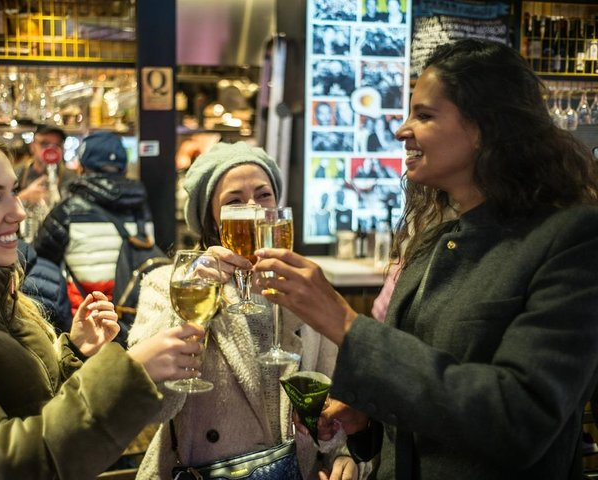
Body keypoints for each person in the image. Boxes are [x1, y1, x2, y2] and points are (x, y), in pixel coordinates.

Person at [255, 38, 598, 479]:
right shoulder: (437, 238)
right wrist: (369, 419)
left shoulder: (570, 239)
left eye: (425, 115)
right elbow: (429, 398)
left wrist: (346, 325)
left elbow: (521, 420)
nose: (402, 129)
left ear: (484, 127)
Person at [0, 123, 207, 479]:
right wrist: (129, 374)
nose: (18, 212)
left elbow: (35, 412)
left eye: (13, 192)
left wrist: (74, 354)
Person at [128, 142, 371, 480]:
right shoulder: (168, 285)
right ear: (212, 220)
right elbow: (153, 406)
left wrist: (342, 456)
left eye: (264, 195)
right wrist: (192, 309)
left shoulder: (305, 286)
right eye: (235, 201)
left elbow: (331, 396)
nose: (254, 208)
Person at [33, 131, 155, 315]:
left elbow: (39, 260)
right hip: (133, 315)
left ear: (81, 168)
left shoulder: (67, 210)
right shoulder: (141, 205)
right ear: (124, 169)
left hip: (86, 319)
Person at [15, 124, 78, 206]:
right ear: (32, 146)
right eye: (44, 144)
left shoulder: (72, 178)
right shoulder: (17, 174)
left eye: (57, 145)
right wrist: (22, 197)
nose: (51, 149)